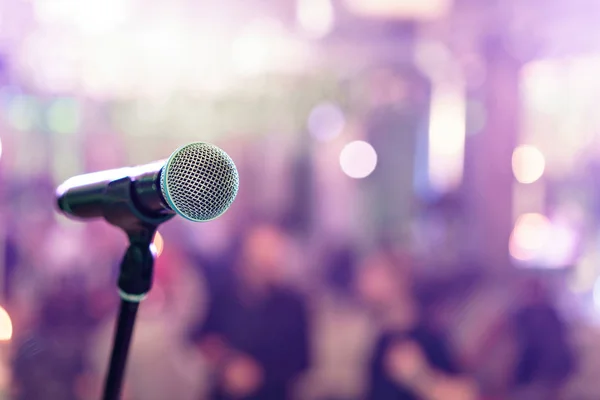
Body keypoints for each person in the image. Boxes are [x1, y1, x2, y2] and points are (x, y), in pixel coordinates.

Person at [192, 223, 310, 400]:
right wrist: (226, 365)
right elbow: (203, 339)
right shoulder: (222, 296)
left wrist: (258, 375)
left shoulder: (294, 305)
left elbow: (302, 360)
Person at [358, 250, 478, 400]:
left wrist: (421, 378)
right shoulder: (380, 337)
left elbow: (466, 394)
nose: (362, 281)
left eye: (373, 272)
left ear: (398, 281)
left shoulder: (429, 337)